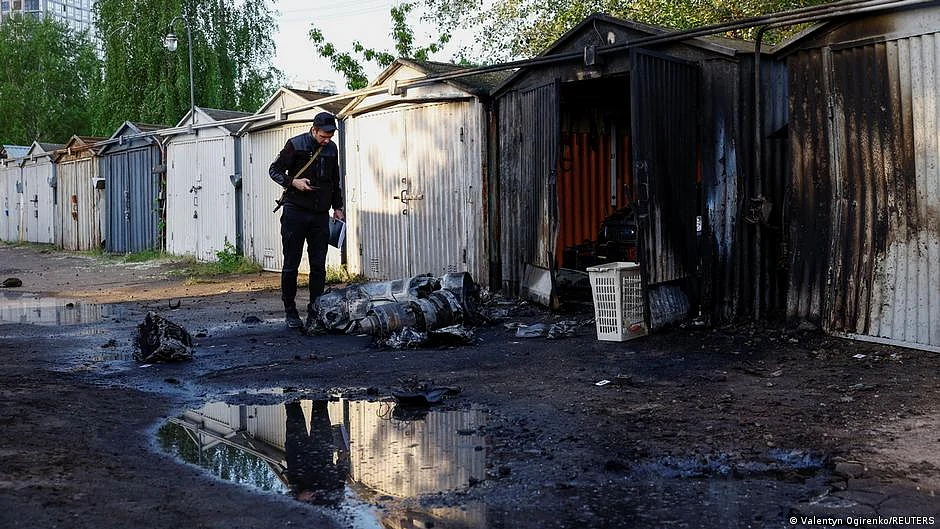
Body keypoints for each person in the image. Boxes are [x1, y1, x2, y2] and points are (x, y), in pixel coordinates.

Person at [269, 112, 344, 330]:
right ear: (314, 130)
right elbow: (274, 170)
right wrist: (294, 182)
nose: (327, 139)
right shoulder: (295, 144)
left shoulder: (332, 149)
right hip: (295, 212)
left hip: (320, 215)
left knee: (319, 266)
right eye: (323, 135)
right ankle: (290, 311)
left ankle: (316, 310)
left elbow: (335, 180)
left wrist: (337, 207)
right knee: (291, 264)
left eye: (330, 135)